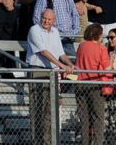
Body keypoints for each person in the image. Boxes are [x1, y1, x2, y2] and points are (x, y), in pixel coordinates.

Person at [26, 8, 74, 144]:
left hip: (52, 72)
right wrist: (61, 65)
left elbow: (60, 52)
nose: (46, 21)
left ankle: (47, 141)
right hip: (38, 70)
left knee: (50, 108)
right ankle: (36, 141)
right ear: (40, 17)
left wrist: (70, 64)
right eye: (44, 18)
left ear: (54, 21)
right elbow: (43, 52)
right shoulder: (34, 30)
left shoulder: (55, 32)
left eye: (49, 19)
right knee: (37, 107)